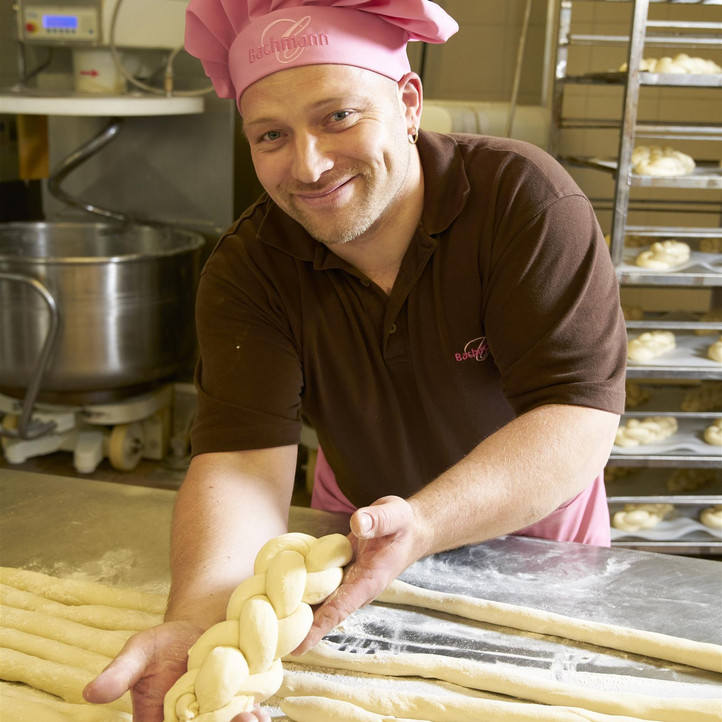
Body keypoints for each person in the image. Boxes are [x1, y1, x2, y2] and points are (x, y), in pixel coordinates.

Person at [84, 1, 626, 720]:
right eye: (271, 135)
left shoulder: (522, 202)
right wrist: (203, 622)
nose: (306, 164)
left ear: (407, 103)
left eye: (337, 116)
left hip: (533, 534)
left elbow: (576, 416)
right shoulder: (250, 269)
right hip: (357, 539)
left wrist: (425, 523)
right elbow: (243, 461)